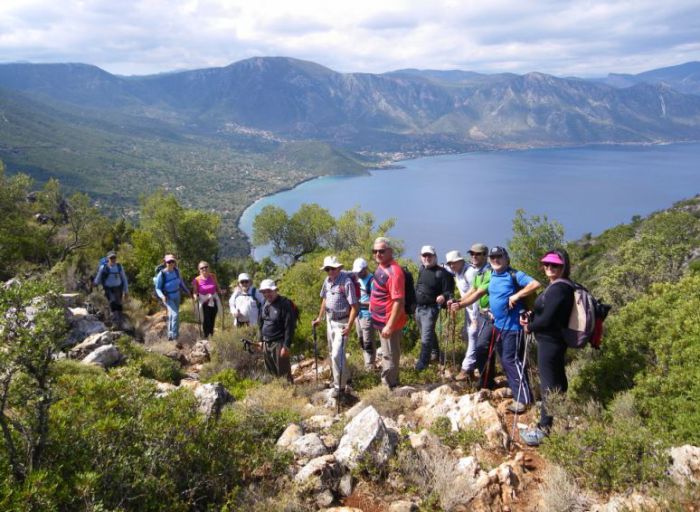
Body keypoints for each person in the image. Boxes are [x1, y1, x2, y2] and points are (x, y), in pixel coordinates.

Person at [520, 249, 575, 445]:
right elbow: (548, 313)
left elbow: (549, 318)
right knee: (557, 380)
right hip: (554, 340)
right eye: (546, 265)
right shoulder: (560, 286)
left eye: (555, 265)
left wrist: (529, 326)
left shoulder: (559, 288)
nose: (549, 268)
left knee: (548, 384)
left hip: (550, 341)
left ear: (563, 267)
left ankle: (544, 429)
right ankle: (560, 415)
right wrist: (532, 315)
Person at [312, 256, 359, 397]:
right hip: (330, 321)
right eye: (327, 269)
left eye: (332, 268)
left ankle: (340, 388)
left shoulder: (346, 283)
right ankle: (346, 378)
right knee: (334, 353)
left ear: (338, 268)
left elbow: (355, 307)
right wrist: (319, 318)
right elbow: (325, 299)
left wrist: (349, 326)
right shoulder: (327, 281)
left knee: (337, 355)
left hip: (342, 323)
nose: (330, 271)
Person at [446, 244, 489, 382]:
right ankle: (472, 369)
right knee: (467, 335)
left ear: (460, 261)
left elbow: (476, 295)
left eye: (453, 262)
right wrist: (456, 301)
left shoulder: (470, 273)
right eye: (449, 263)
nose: (451, 265)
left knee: (473, 336)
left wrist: (475, 317)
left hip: (476, 312)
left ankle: (466, 368)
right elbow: (469, 292)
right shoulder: (458, 271)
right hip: (468, 309)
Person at [370, 237, 407, 389]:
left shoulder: (394, 272)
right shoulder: (382, 267)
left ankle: (390, 387)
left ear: (390, 251)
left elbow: (398, 301)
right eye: (375, 251)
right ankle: (391, 382)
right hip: (381, 320)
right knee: (386, 353)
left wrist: (390, 326)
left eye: (382, 251)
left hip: (388, 322)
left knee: (390, 354)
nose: (378, 254)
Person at [414, 245, 454, 371]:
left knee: (425, 337)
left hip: (430, 309)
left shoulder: (442, 273)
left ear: (435, 257)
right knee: (428, 333)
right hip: (418, 309)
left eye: (429, 255)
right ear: (421, 257)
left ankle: (422, 365)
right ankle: (435, 354)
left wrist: (443, 296)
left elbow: (449, 291)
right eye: (424, 256)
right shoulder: (421, 269)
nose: (427, 258)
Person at [258, 278, 296, 383]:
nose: (267, 294)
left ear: (275, 290)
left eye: (269, 291)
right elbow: (260, 322)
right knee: (271, 373)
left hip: (279, 343)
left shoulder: (284, 304)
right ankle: (276, 393)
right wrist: (260, 340)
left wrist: (286, 346)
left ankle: (289, 395)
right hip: (266, 343)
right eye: (264, 292)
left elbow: (289, 326)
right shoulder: (263, 302)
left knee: (284, 374)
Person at [155, 254, 190, 342]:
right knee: (175, 315)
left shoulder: (176, 271)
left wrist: (187, 290)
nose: (171, 263)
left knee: (173, 316)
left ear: (175, 262)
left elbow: (181, 282)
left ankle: (171, 335)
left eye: (172, 261)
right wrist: (162, 296)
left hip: (177, 295)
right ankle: (174, 336)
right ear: (165, 263)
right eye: (168, 262)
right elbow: (158, 288)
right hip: (168, 297)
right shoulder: (162, 274)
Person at [352, 257, 376, 370]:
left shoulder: (372, 281)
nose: (358, 273)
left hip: (367, 315)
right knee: (361, 339)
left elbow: (375, 301)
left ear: (365, 269)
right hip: (358, 315)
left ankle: (370, 366)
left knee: (368, 341)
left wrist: (361, 303)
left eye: (360, 271)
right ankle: (367, 362)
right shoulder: (356, 279)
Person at [94, 251, 128, 327]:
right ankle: (115, 322)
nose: (113, 259)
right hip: (108, 289)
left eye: (114, 257)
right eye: (111, 258)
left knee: (119, 304)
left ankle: (120, 321)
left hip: (118, 288)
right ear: (108, 258)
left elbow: (124, 279)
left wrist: (126, 291)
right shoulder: (103, 267)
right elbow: (98, 278)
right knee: (112, 303)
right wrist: (95, 284)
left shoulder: (119, 267)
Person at [191, 261, 223, 338]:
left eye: (206, 267)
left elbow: (217, 287)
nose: (204, 269)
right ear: (199, 270)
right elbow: (195, 292)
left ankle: (211, 335)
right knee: (206, 320)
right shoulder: (196, 280)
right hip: (204, 302)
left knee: (212, 319)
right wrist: (195, 296)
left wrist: (221, 291)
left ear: (209, 267)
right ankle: (206, 335)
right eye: (202, 268)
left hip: (214, 300)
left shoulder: (213, 276)